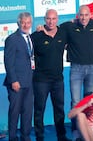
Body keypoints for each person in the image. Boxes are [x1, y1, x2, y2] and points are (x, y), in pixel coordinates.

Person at [31, 9, 70, 141]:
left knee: (59, 109)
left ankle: (62, 136)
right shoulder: (36, 36)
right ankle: (39, 137)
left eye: (53, 19)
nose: (51, 21)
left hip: (58, 80)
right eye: (48, 19)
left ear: (57, 19)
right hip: (41, 80)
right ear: (44, 19)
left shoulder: (63, 33)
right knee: (39, 109)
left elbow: (77, 23)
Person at [61, 5, 93, 107]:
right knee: (76, 101)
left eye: (86, 15)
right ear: (77, 16)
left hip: (92, 68)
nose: (84, 18)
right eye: (81, 15)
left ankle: (89, 122)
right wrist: (41, 27)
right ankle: (76, 123)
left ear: (90, 16)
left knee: (90, 100)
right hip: (76, 69)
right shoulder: (69, 26)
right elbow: (54, 28)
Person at [3, 12, 34, 141]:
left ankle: (26, 137)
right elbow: (8, 62)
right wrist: (14, 80)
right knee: (15, 112)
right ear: (18, 23)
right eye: (23, 22)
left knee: (27, 112)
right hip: (16, 83)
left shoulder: (30, 37)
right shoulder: (12, 39)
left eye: (28, 23)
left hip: (29, 82)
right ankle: (12, 137)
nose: (25, 25)